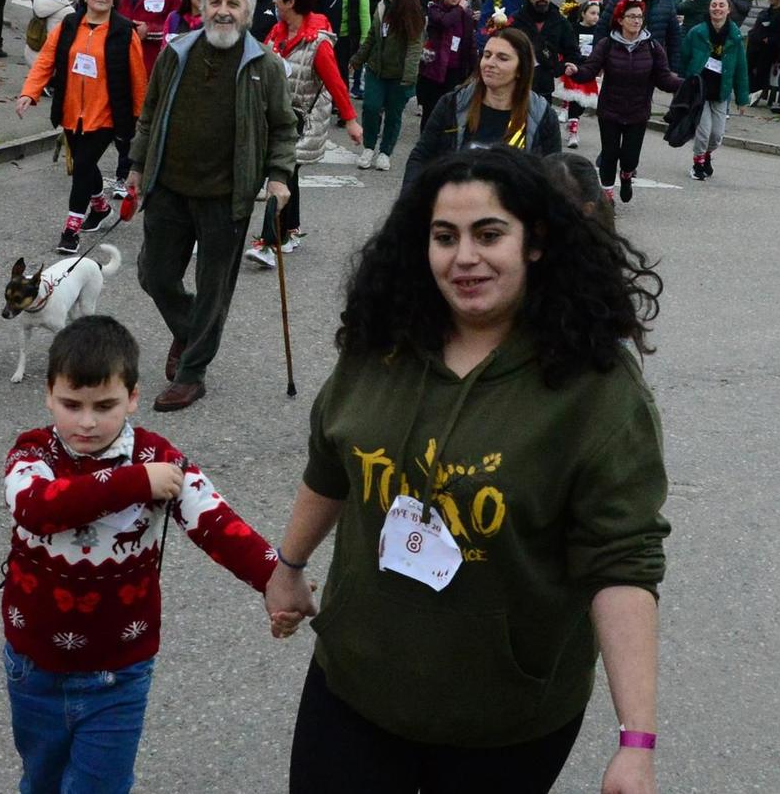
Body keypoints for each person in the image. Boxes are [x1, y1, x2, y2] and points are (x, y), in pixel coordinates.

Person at [265, 148, 667, 794]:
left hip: (506, 720)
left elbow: (623, 561)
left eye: (489, 233)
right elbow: (330, 464)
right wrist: (287, 566)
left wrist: (636, 740)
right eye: (444, 236)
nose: (464, 258)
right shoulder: (383, 342)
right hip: (355, 687)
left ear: (535, 242)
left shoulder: (595, 388)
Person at [1, 315, 288, 794]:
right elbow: (35, 509)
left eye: (106, 405)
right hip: (34, 666)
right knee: (41, 780)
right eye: (71, 404)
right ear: (48, 394)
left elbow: (214, 521)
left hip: (120, 669)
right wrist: (135, 482)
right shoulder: (33, 453)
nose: (87, 421)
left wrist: (276, 575)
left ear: (133, 397)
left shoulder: (160, 459)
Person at [125, 0, 297, 413]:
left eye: (233, 4)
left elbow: (283, 128)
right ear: (202, 9)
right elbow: (150, 112)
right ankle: (189, 330)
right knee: (154, 274)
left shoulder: (265, 65)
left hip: (227, 195)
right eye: (215, 3)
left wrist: (278, 175)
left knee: (213, 288)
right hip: (169, 188)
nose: (223, 11)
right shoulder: (176, 53)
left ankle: (192, 373)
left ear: (248, 12)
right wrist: (138, 165)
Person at [17, 0, 147, 255]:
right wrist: (30, 92)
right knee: (84, 163)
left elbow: (138, 78)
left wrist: (141, 119)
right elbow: (46, 61)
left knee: (83, 167)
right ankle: (100, 207)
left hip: (106, 115)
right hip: (71, 111)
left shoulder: (124, 31)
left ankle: (70, 231)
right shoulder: (69, 24)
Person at [246, 0, 362, 269]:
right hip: (273, 117)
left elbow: (336, 82)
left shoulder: (319, 43)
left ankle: (271, 241)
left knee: (279, 174)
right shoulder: (277, 31)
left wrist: (350, 121)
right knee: (288, 176)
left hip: (300, 122)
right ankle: (289, 230)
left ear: (291, 2)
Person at [405, 26, 562, 185]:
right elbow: (421, 156)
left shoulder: (542, 116)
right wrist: (412, 204)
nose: (490, 63)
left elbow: (553, 178)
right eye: (487, 55)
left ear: (521, 69)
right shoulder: (452, 104)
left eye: (502, 58)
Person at [566, 0, 682, 206]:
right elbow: (590, 69)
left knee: (629, 158)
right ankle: (607, 195)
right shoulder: (606, 44)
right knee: (609, 154)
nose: (637, 21)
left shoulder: (653, 47)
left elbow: (664, 78)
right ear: (620, 19)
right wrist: (576, 71)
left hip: (638, 111)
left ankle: (627, 176)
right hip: (610, 110)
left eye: (639, 16)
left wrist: (685, 84)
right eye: (632, 16)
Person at [347, 0, 425, 172]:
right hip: (376, 70)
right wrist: (357, 60)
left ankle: (385, 152)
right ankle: (369, 148)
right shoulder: (381, 7)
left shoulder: (413, 12)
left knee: (393, 114)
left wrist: (409, 77)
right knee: (371, 107)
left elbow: (415, 47)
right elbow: (372, 36)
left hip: (399, 76)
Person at [676, 0, 750, 181]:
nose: (717, 8)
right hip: (699, 90)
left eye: (721, 5)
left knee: (716, 134)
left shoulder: (735, 36)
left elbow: (741, 69)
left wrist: (742, 99)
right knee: (704, 131)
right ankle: (698, 163)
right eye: (714, 5)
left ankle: (707, 155)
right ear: (709, 9)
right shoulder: (697, 32)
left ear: (728, 10)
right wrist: (682, 84)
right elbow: (684, 59)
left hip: (721, 91)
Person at [508, 0, 579, 104]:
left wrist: (558, 68)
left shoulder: (560, 22)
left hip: (544, 88)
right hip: (517, 84)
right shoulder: (516, 20)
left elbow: (573, 52)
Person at [604, 0, 682, 70]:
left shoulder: (667, 2)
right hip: (619, 63)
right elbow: (603, 29)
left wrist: (674, 69)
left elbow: (674, 39)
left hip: (652, 66)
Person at [417, 0, 477, 121]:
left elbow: (470, 43)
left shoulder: (466, 15)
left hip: (455, 71)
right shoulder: (435, 9)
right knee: (430, 112)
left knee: (449, 115)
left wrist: (474, 69)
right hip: (433, 69)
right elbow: (445, 22)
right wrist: (460, 10)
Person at [554, 0, 604, 148]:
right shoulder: (573, 28)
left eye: (598, 14)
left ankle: (572, 123)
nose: (596, 17)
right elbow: (566, 46)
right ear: (583, 13)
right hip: (574, 67)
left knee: (583, 102)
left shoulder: (599, 32)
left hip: (590, 69)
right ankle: (573, 132)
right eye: (592, 13)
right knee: (574, 99)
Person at [746, 0, 780, 105]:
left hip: (768, 49)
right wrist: (753, 34)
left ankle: (756, 95)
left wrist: (770, 39)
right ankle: (748, 92)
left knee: (761, 72)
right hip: (755, 44)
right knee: (749, 68)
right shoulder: (765, 12)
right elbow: (757, 27)